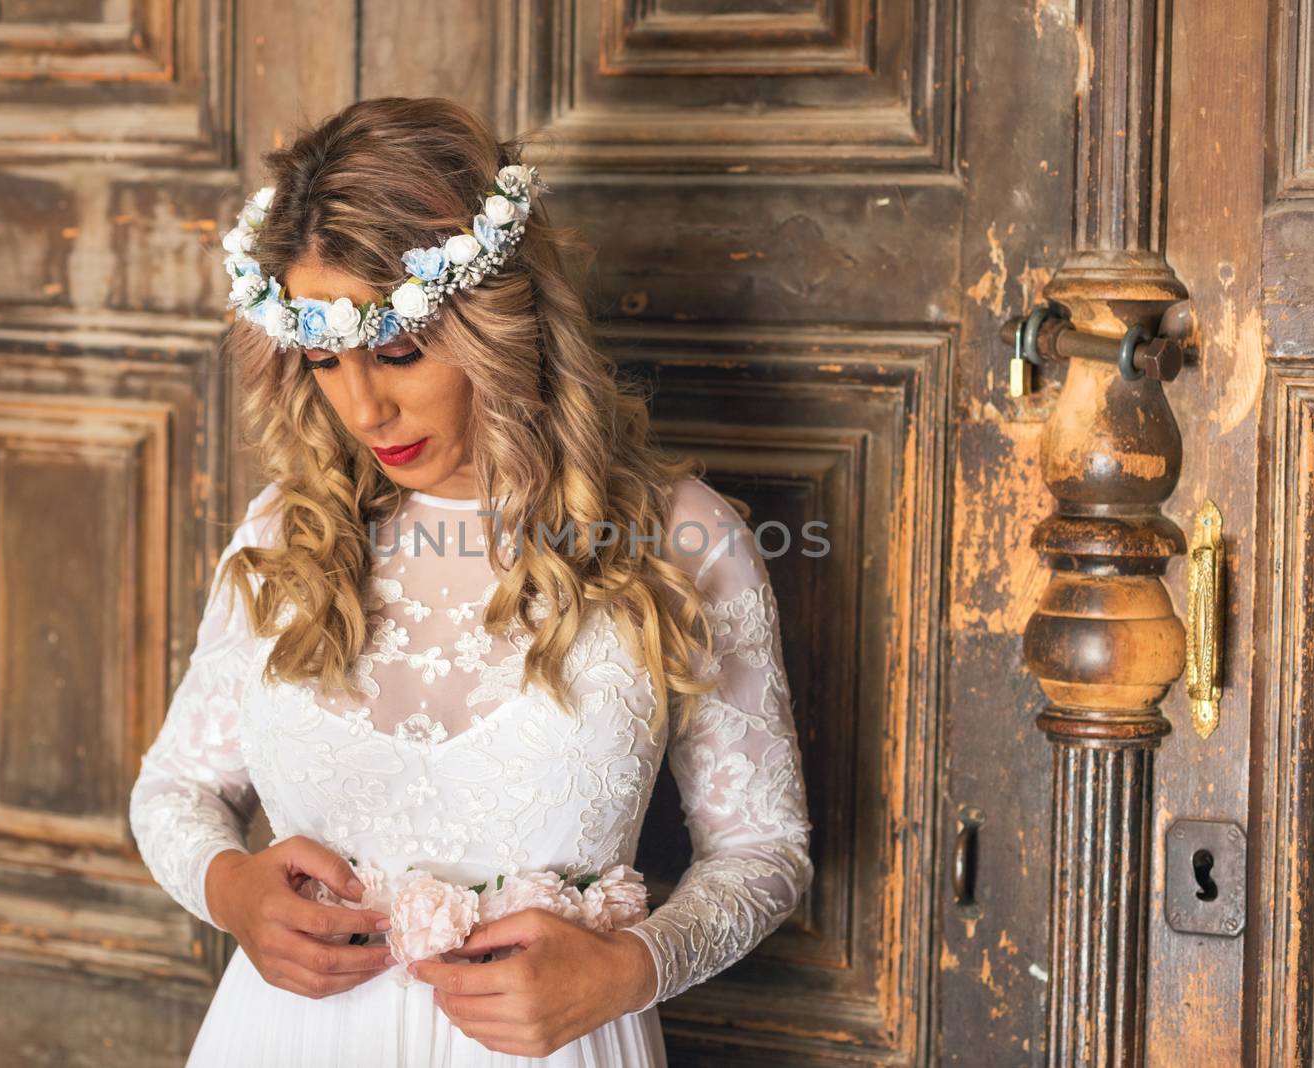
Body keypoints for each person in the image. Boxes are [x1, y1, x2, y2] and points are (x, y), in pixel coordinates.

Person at [128, 95, 813, 1067]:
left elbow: (765, 850)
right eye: (323, 360)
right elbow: (174, 789)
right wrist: (229, 889)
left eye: (400, 351)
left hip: (553, 1047)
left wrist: (628, 971)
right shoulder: (291, 535)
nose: (363, 405)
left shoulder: (680, 536)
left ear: (496, 318)